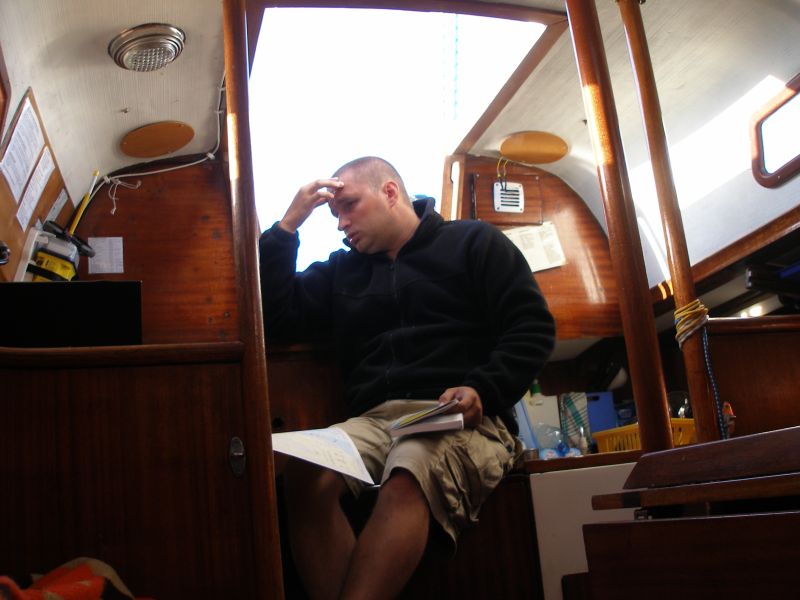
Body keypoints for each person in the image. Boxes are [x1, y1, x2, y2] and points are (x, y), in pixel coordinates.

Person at [259, 156, 555, 600]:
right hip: (374, 421)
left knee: (410, 467)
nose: (340, 223)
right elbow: (275, 317)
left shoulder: (473, 242)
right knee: (305, 474)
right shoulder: (341, 271)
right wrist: (287, 227)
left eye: (349, 206)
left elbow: (531, 327)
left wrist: (483, 388)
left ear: (390, 192)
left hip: (460, 416)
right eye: (334, 213)